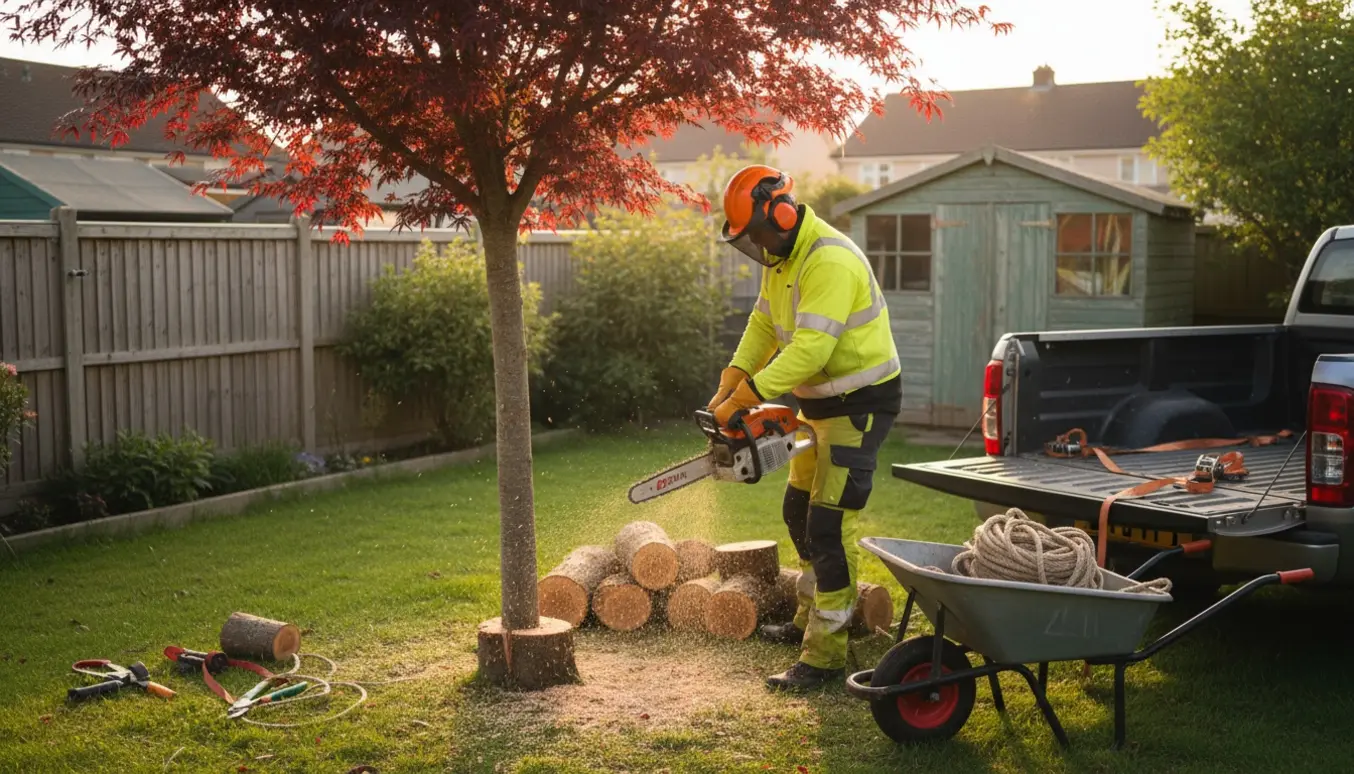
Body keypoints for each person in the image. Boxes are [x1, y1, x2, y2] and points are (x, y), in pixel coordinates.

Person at [708, 164, 903, 690]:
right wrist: (732, 380)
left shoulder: (829, 260)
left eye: (759, 235)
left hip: (859, 407)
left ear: (784, 214)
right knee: (798, 509)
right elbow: (763, 326)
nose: (757, 247)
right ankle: (809, 619)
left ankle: (825, 656)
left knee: (829, 525)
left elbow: (812, 348)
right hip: (819, 406)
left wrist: (749, 397)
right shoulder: (782, 259)